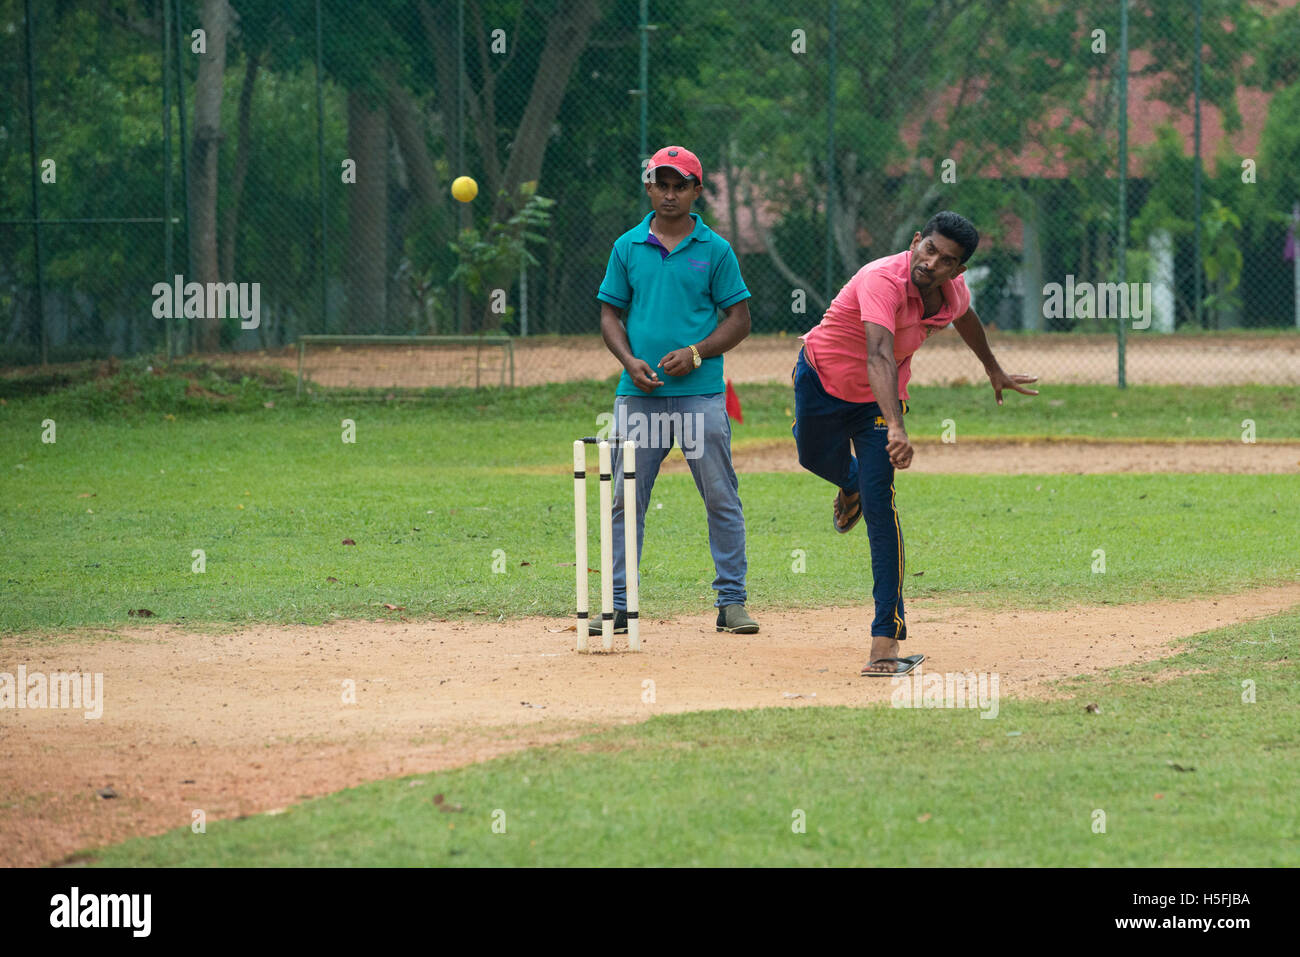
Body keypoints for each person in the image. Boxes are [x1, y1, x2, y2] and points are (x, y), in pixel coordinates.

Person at [792, 211, 1038, 676]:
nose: (932, 263)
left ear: (958, 270)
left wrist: (991, 367)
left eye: (947, 261)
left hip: (877, 407)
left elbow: (966, 318)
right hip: (821, 380)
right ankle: (852, 484)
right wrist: (899, 427)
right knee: (811, 455)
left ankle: (884, 644)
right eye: (929, 249)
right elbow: (878, 352)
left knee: (882, 509)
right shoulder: (881, 279)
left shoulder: (953, 290)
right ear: (916, 240)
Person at [594, 145, 759, 637]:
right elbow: (609, 314)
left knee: (721, 498)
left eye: (679, 185)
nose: (669, 194)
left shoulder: (716, 249)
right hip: (637, 396)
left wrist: (698, 353)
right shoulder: (627, 246)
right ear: (649, 186)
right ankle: (621, 605)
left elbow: (741, 320)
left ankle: (731, 604)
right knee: (624, 499)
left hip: (702, 394)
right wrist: (628, 361)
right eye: (661, 184)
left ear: (696, 190)